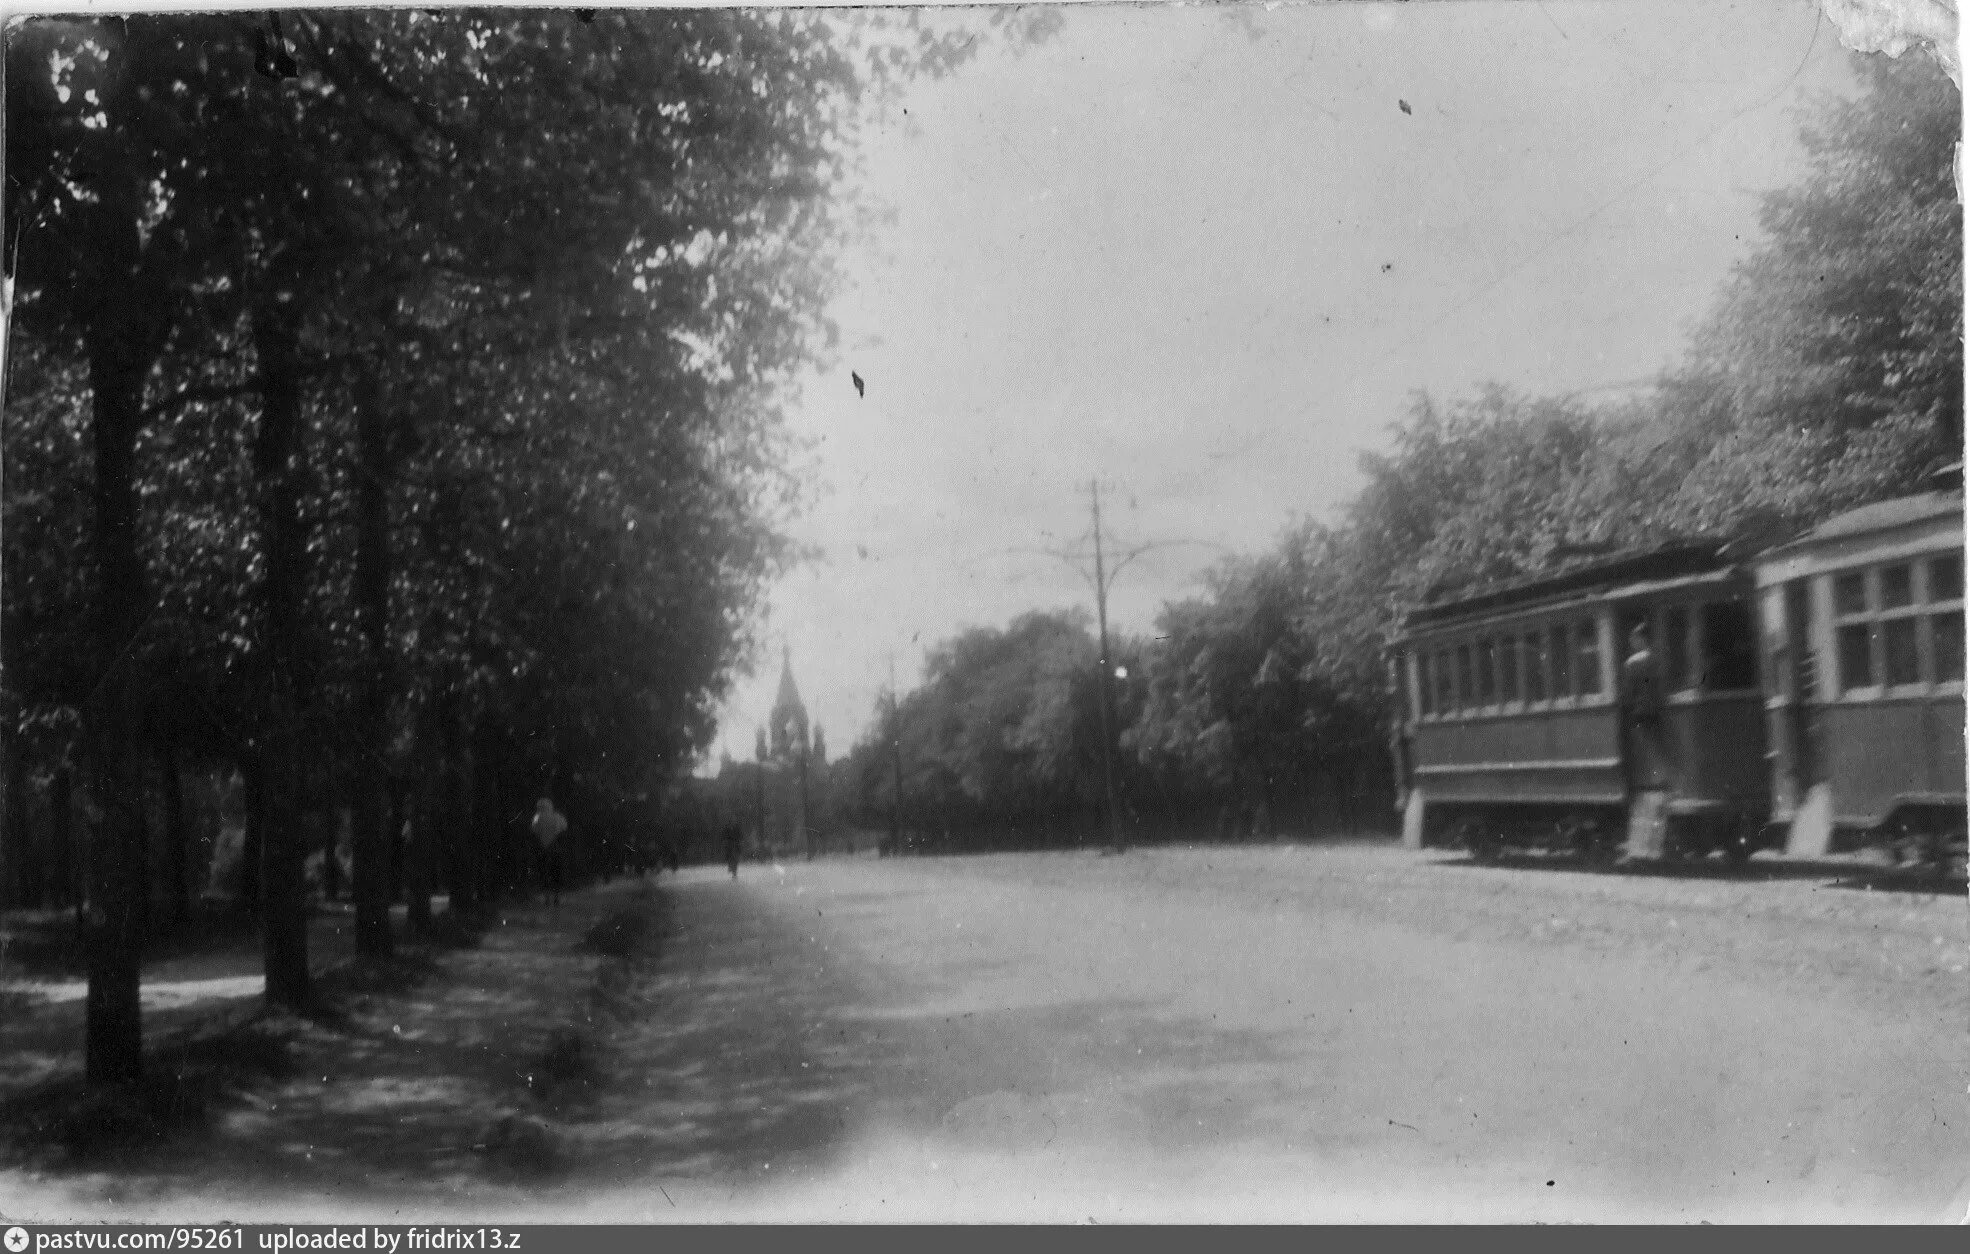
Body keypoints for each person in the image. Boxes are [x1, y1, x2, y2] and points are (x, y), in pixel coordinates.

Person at [532, 797, 569, 906]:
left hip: (543, 849)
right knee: (556, 871)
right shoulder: (557, 817)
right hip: (555, 848)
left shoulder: (537, 817)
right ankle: (556, 896)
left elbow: (534, 831)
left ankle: (547, 897)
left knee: (544, 872)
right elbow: (564, 828)